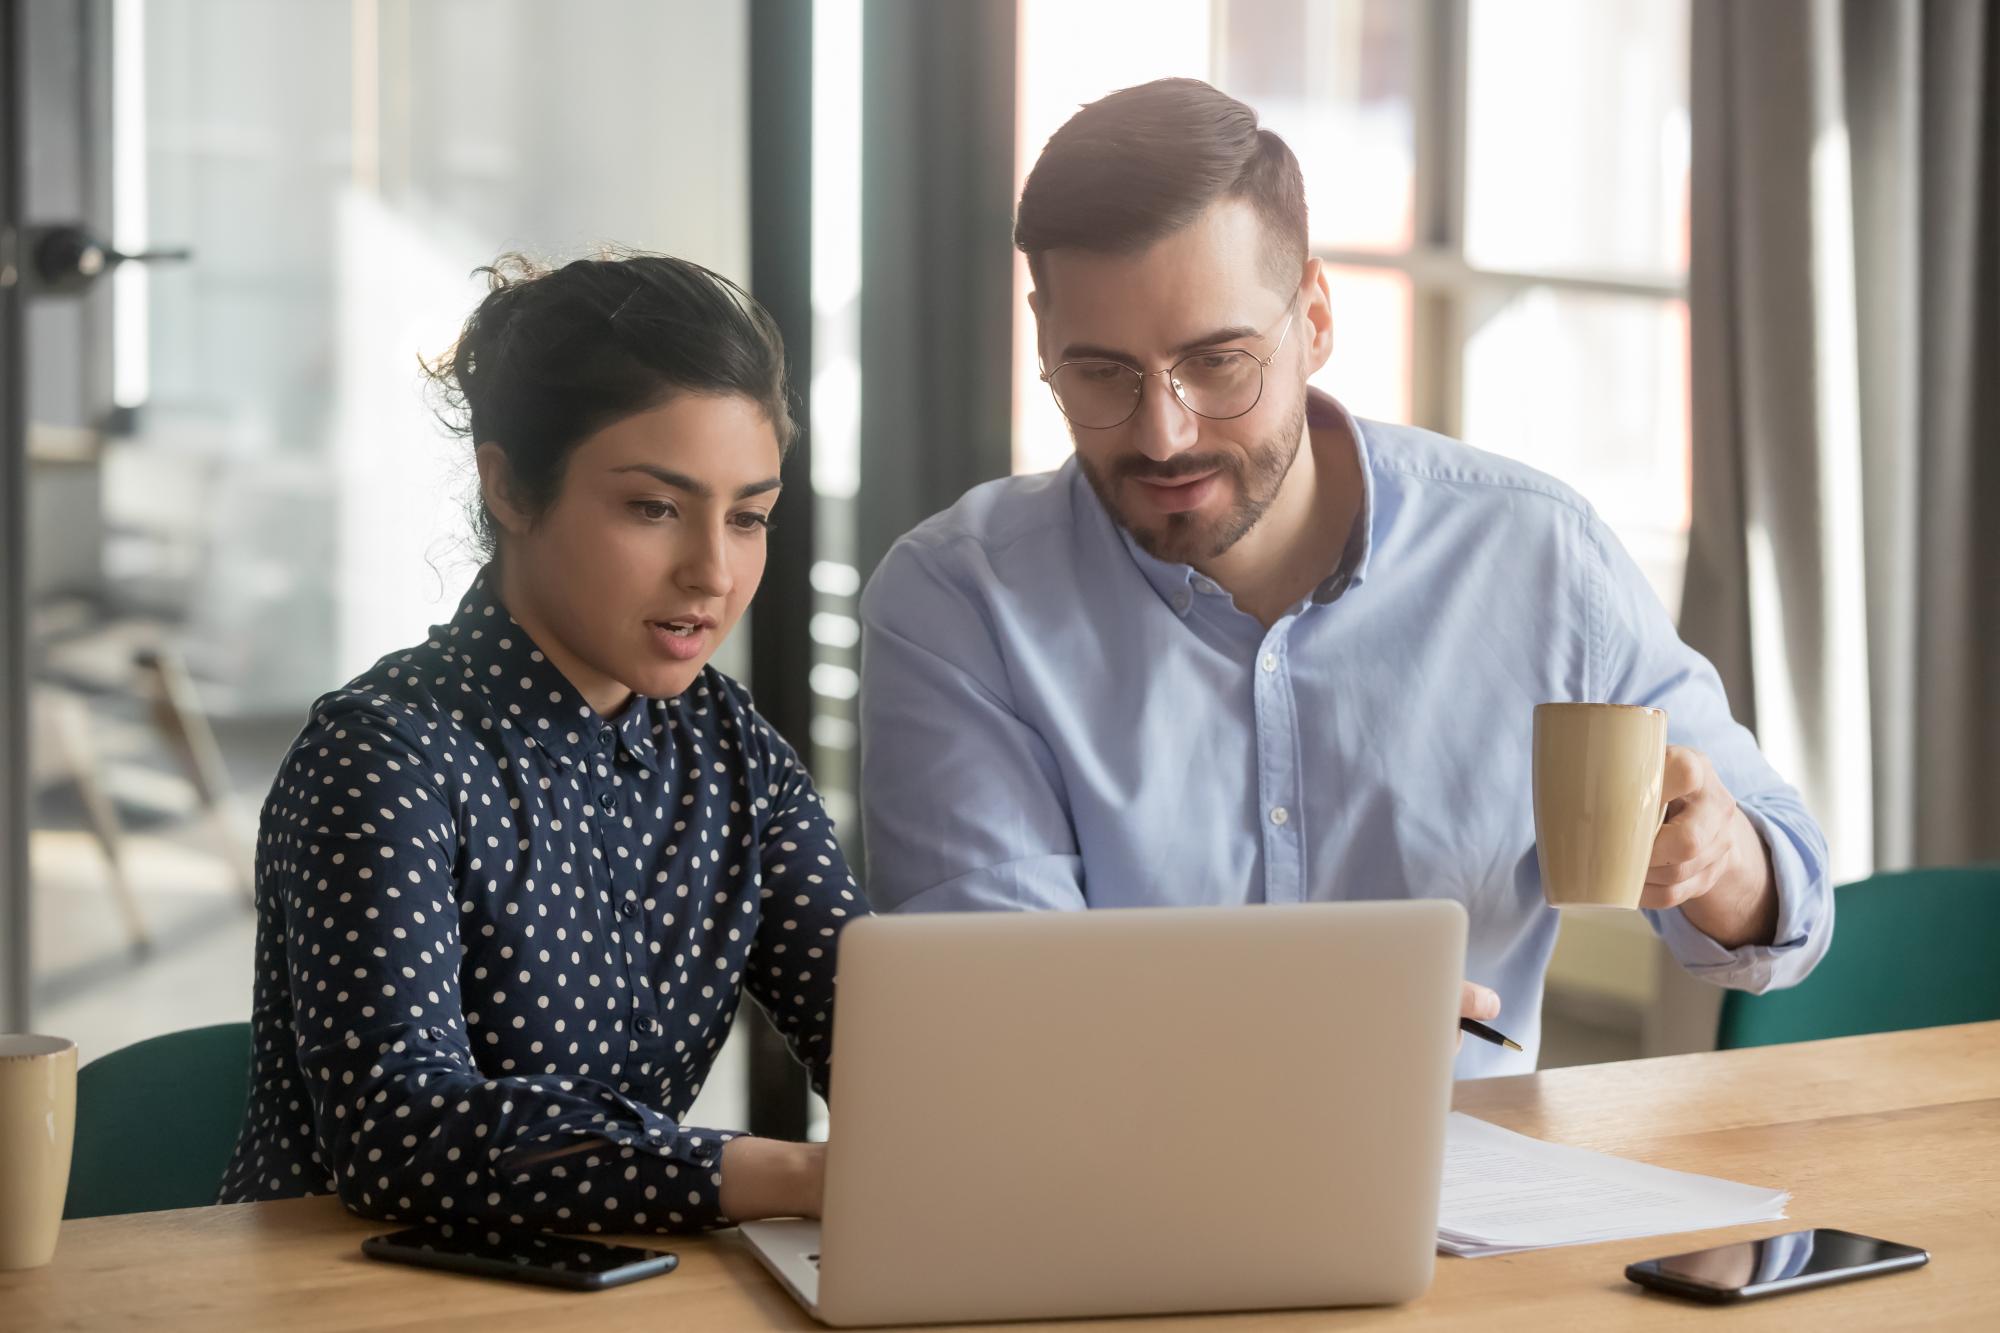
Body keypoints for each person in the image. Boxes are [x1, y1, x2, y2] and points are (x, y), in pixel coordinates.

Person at [857, 79, 1831, 1075]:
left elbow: (1790, 905)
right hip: (1118, 1211)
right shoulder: (959, 605)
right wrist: (1310, 1023)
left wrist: (1717, 859)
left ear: (1314, 318)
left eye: (1217, 362)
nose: (1162, 431)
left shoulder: (1535, 557)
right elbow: (1002, 1015)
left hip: (1482, 1208)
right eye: (1101, 372)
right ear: (1042, 341)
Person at [220, 253, 862, 1230]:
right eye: (654, 508)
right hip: (342, 1296)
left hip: (606, 1283)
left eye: (748, 518)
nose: (711, 572)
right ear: (511, 488)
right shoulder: (383, 756)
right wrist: (790, 1175)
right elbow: (402, 1132)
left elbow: (883, 1039)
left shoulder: (731, 753)